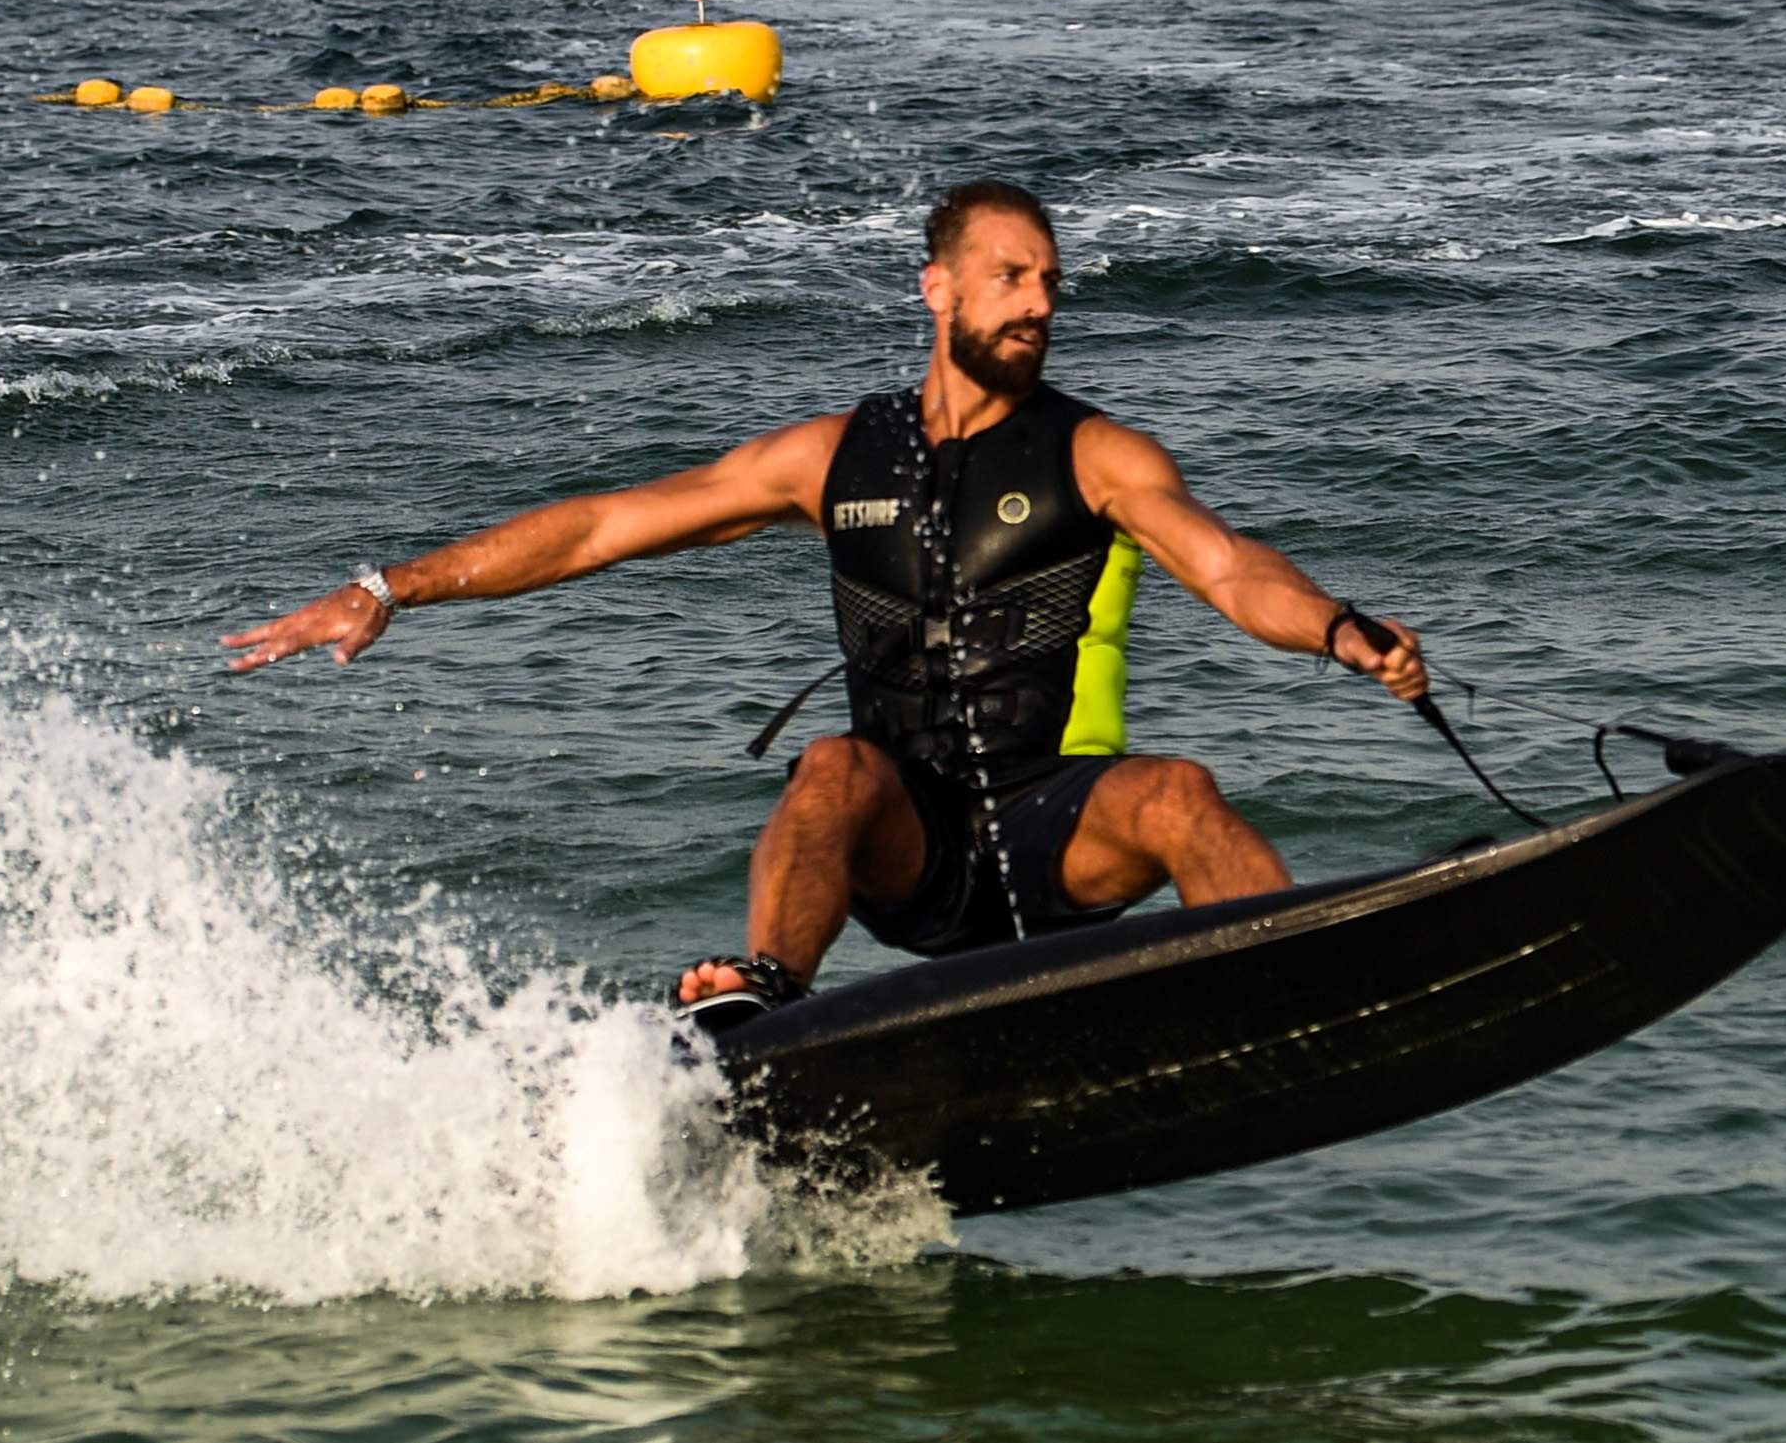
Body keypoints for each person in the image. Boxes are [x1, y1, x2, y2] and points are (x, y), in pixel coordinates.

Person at [224, 179, 1432, 1024]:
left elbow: (1227, 567)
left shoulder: (1098, 455)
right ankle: (761, 1010)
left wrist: (1338, 630)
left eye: (1050, 283)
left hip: (1054, 827)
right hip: (907, 845)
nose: (1038, 304)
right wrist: (393, 586)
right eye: (1008, 277)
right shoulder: (833, 457)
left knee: (1176, 793)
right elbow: (606, 524)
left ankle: (1278, 991)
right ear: (937, 290)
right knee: (832, 767)